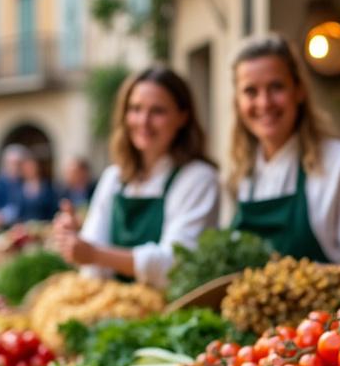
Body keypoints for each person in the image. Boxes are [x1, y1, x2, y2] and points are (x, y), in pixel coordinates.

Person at [227, 34, 340, 288]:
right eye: (250, 91)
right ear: (238, 101)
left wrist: (324, 278)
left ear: (299, 91)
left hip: (327, 313)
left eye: (276, 87)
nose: (264, 102)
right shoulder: (241, 175)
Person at [52, 66, 218, 288]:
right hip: (114, 304)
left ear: (182, 116)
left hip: (172, 306)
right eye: (135, 109)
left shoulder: (198, 178)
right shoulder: (114, 178)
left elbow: (175, 264)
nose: (143, 121)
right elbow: (92, 265)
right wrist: (74, 241)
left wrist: (94, 254)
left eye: (157, 111)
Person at [0, 144, 28, 230]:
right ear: (6, 163)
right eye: (14, 163)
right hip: (3, 227)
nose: (17, 167)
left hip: (21, 228)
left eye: (19, 164)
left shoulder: (24, 182)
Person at [17, 155, 60, 222]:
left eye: (32, 167)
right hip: (24, 224)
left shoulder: (46, 187)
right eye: (27, 168)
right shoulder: (18, 187)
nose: (29, 170)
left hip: (44, 224)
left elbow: (52, 207)